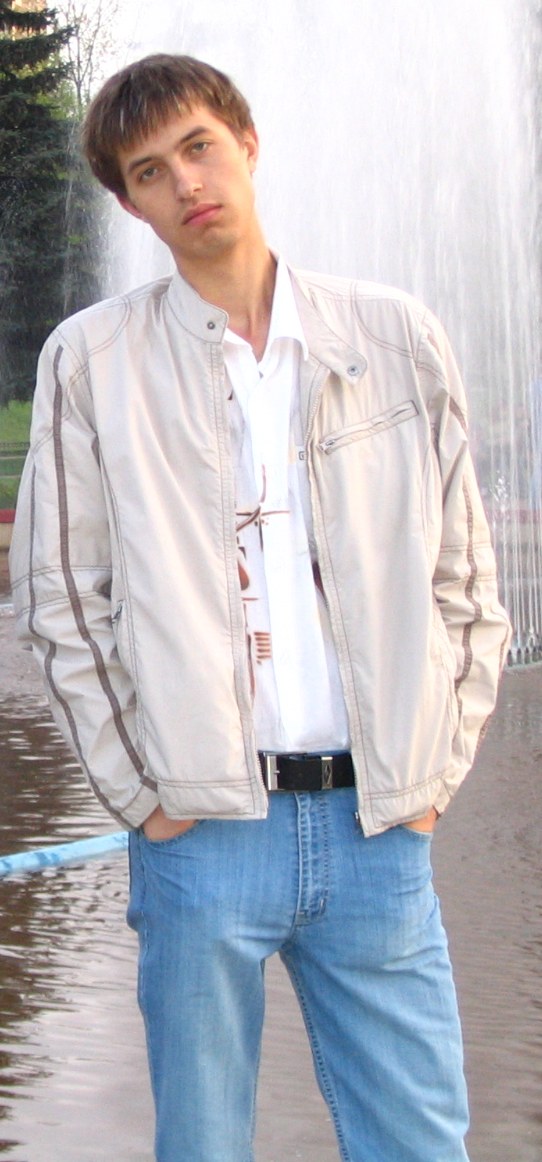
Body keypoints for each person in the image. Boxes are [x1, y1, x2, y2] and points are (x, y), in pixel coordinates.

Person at [9, 53, 511, 1162]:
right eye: (149, 171)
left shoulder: (393, 337)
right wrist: (145, 795)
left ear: (244, 142)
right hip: (202, 839)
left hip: (378, 829)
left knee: (420, 1142)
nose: (185, 182)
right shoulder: (91, 361)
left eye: (198, 147)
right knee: (202, 1146)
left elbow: (467, 580)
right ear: (130, 204)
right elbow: (62, 599)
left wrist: (434, 772)